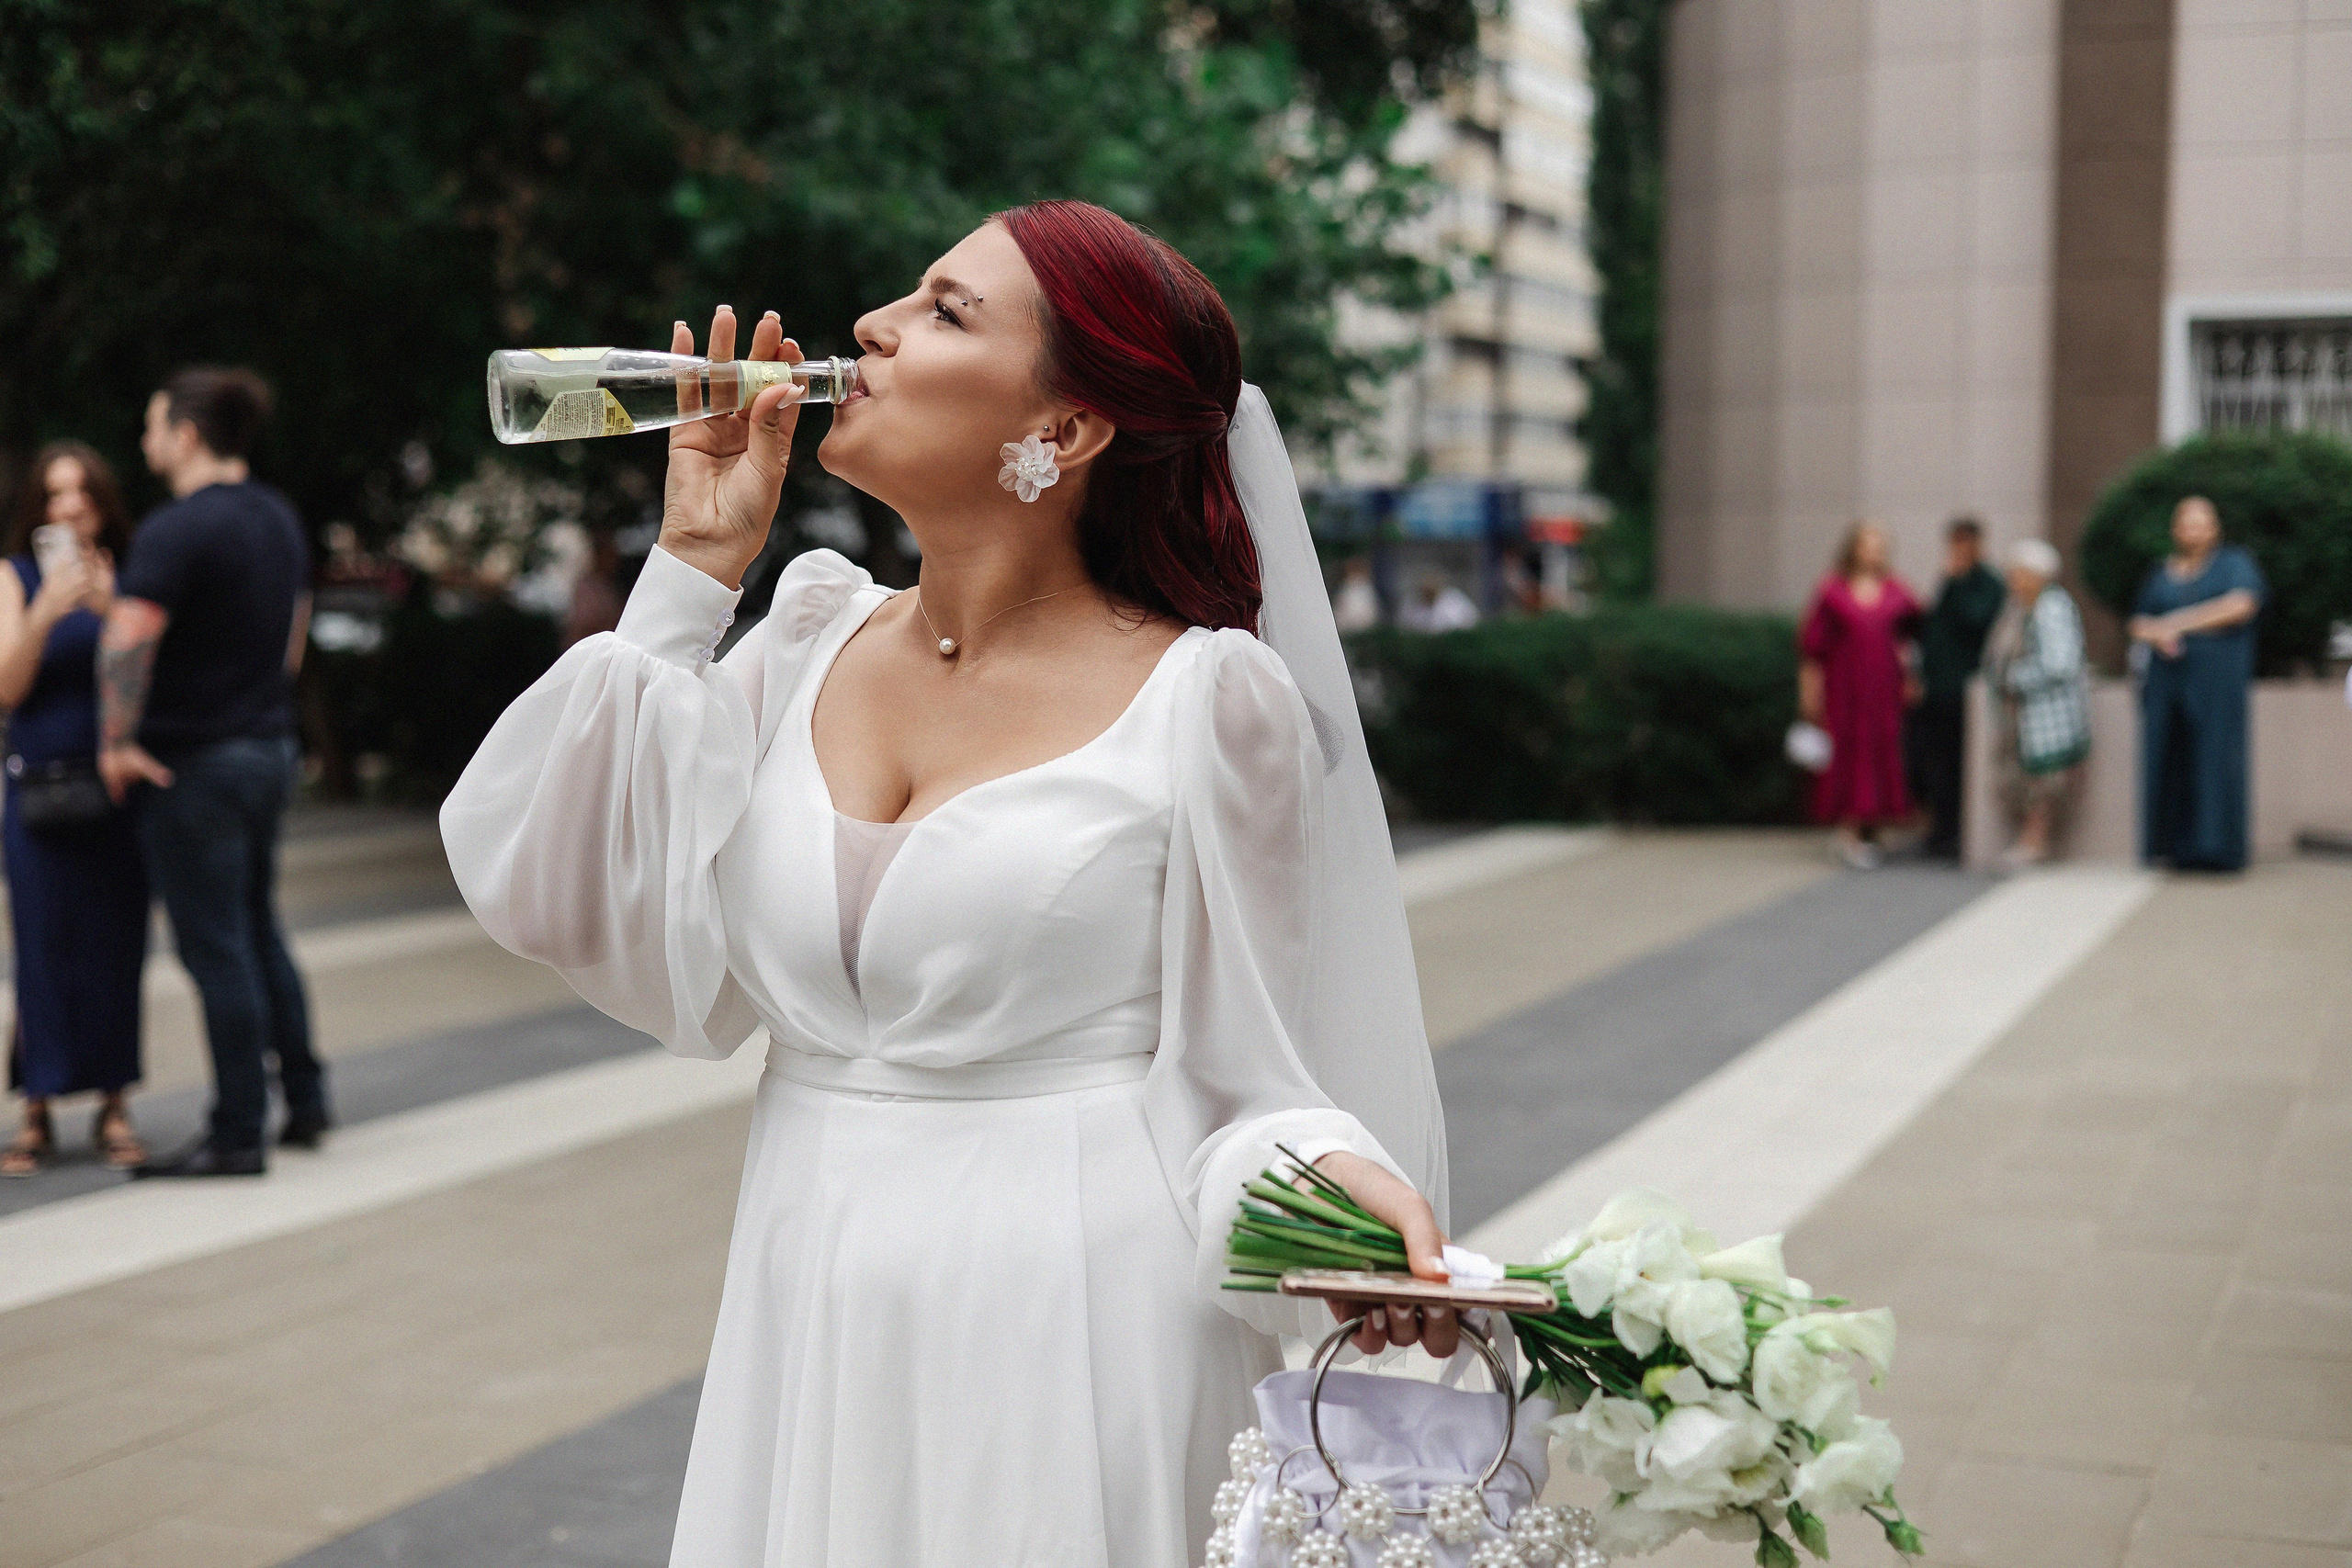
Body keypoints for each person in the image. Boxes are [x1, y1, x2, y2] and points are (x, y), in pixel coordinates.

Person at [441, 202, 1450, 1568]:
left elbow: (1246, 1074)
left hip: (1081, 1328)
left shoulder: (1212, 699)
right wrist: (687, 576)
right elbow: (554, 884)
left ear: (1067, 430)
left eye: (947, 308)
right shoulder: (803, 634)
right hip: (812, 1314)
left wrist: (1345, 1191)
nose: (873, 326)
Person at [99, 367, 328, 1178]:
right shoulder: (279, 516)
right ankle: (306, 1099)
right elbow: (292, 641)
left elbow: (127, 637)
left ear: (187, 435)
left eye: (153, 425)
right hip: (267, 747)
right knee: (260, 927)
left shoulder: (174, 529)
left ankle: (237, 1132)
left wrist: (115, 741)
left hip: (192, 761)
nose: (145, 441)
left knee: (216, 946)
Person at [0, 444, 151, 1175]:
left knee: (116, 947)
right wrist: (43, 613)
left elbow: (151, 673)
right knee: (40, 946)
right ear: (37, 505)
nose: (68, 507)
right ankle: (36, 1107)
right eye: (55, 495)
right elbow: (7, 688)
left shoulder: (129, 571)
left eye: (82, 493)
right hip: (35, 789)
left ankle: (113, 1103)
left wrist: (108, 609)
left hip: (115, 790)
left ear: (101, 502)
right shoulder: (13, 577)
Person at [2130, 494, 2266, 872]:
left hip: (2216, 682)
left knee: (2215, 758)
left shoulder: (2235, 563)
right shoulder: (2160, 572)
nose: (2194, 530)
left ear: (2215, 528)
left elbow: (2240, 605)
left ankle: (2218, 849)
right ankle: (2174, 847)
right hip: (2167, 682)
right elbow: (2138, 620)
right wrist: (2156, 634)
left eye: (2202, 522)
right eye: (2187, 522)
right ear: (2175, 529)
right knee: (2170, 756)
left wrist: (2174, 623)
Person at [1798, 522, 1922, 868]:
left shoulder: (1897, 590)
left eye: (1879, 544)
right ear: (1853, 547)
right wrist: (1809, 690)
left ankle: (1874, 828)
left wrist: (1910, 676)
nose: (1874, 551)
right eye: (1867, 544)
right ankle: (1848, 831)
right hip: (1845, 689)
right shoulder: (1832, 590)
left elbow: (1911, 637)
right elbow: (1813, 648)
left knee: (1882, 751)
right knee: (1848, 753)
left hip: (1883, 690)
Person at [1983, 538, 2088, 868]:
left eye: (2018, 573)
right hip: (2023, 717)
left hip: (2049, 717)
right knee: (2024, 780)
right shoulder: (2020, 607)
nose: (2013, 579)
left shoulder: (2052, 607)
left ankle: (2034, 842)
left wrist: (2014, 679)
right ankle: (2029, 841)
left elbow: (2061, 663)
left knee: (2044, 782)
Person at [1908, 516, 2004, 859]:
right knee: (1928, 763)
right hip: (1934, 689)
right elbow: (1931, 629)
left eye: (1966, 543)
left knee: (1957, 764)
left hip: (1963, 689)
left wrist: (1958, 581)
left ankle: (1956, 834)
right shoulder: (1948, 580)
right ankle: (1937, 829)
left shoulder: (1987, 583)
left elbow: (1976, 622)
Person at [1330, 554, 1379, 633]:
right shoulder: (1347, 587)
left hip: (1362, 629)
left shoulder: (1365, 587)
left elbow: (1371, 614)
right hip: (1347, 629)